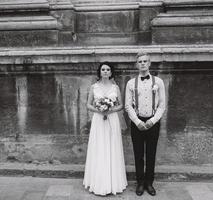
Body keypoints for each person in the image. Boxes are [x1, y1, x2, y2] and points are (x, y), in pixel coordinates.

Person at [83, 62, 127, 196]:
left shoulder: (115, 87)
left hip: (112, 119)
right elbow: (88, 105)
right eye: (103, 69)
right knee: (99, 147)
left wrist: (110, 109)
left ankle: (113, 182)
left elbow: (121, 105)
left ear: (111, 72)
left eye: (108, 69)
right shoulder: (94, 87)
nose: (106, 71)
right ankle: (98, 182)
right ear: (100, 72)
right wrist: (100, 109)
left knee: (112, 147)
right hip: (98, 120)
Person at [125, 52, 165, 196]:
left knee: (151, 153)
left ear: (149, 63)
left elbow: (162, 105)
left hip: (153, 122)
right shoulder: (130, 83)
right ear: (137, 64)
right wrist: (137, 121)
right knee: (138, 154)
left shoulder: (158, 82)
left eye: (145, 61)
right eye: (140, 61)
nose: (142, 63)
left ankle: (149, 183)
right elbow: (128, 106)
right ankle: (140, 182)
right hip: (137, 123)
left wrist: (153, 121)